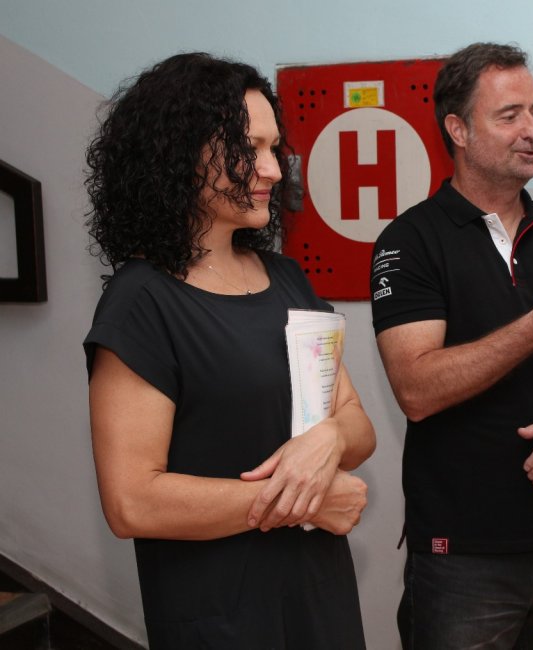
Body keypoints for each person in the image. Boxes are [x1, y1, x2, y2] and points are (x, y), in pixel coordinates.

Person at [83, 52, 375, 649]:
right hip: (220, 616)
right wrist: (302, 503)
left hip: (317, 597)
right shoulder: (141, 301)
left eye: (275, 148)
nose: (271, 169)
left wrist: (327, 439)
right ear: (181, 154)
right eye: (249, 148)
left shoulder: (286, 278)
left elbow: (357, 426)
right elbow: (132, 502)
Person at [370, 42, 533, 649]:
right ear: (458, 130)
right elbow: (416, 389)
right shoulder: (410, 242)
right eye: (509, 115)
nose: (532, 131)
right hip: (463, 556)